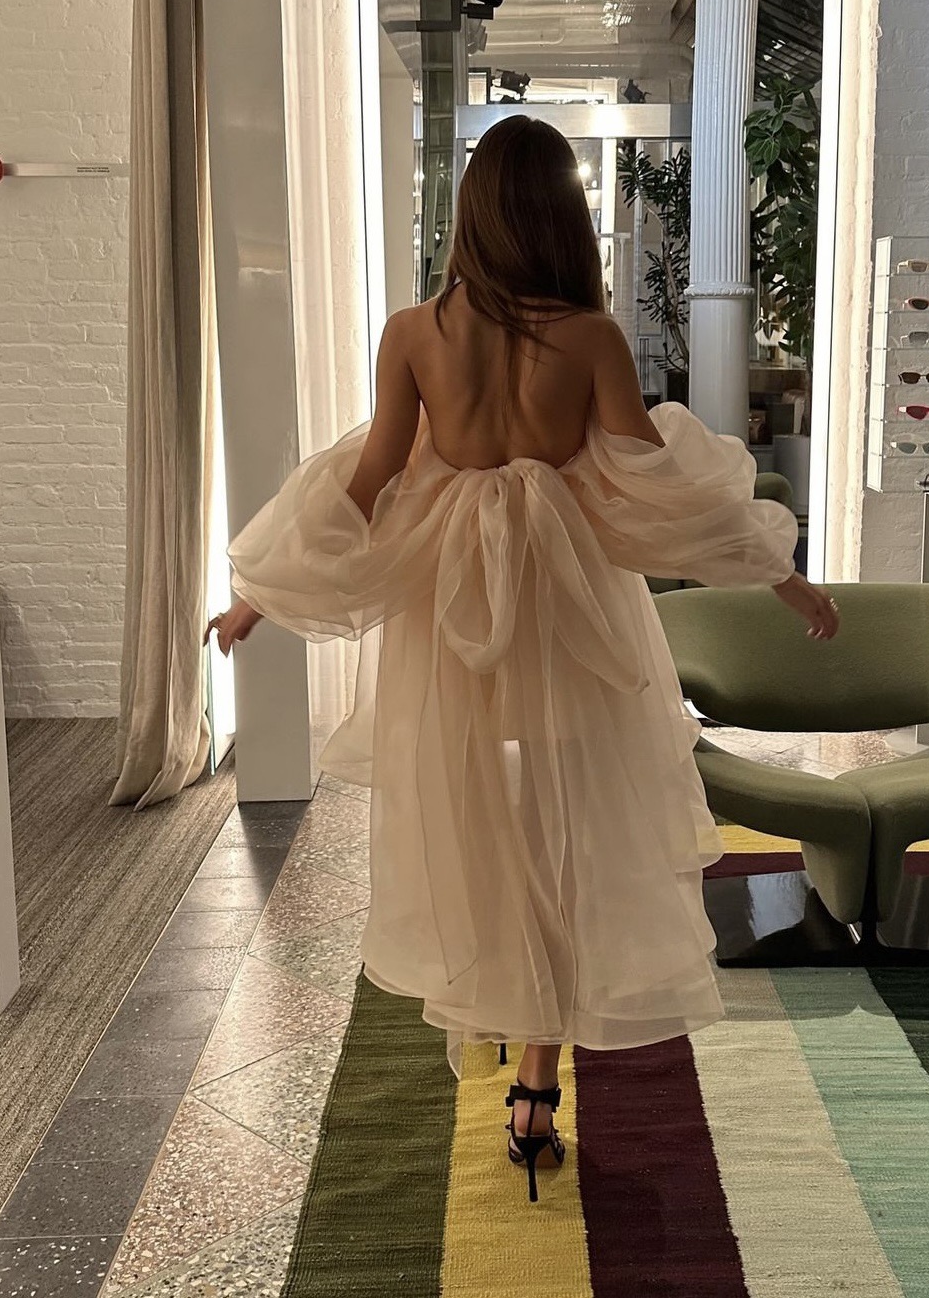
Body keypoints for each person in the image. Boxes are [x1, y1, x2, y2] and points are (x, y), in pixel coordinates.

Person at [206, 115, 839, 1204]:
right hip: (569, 607)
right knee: (567, 825)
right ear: (562, 217)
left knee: (469, 818)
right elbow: (655, 484)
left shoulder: (414, 332)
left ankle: (497, 1006)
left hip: (451, 609)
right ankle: (539, 1079)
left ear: (472, 214)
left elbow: (368, 480)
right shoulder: (589, 337)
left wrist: (258, 596)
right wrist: (785, 576)